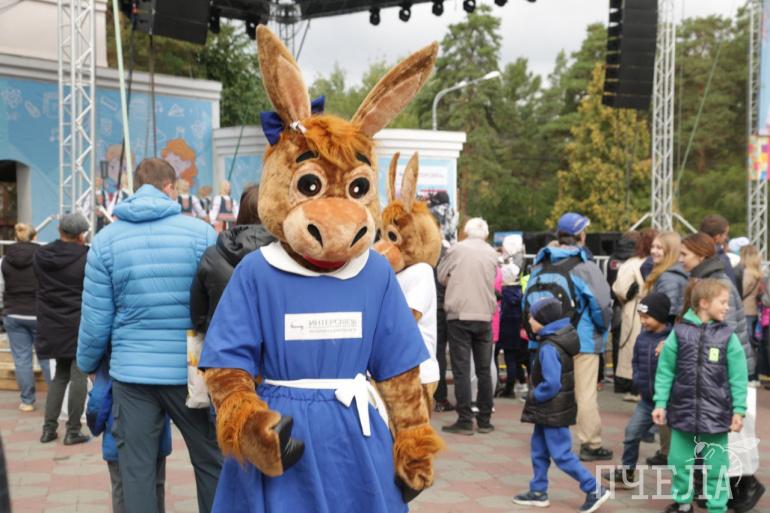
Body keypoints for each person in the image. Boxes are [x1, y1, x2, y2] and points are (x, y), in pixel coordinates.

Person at [77, 158, 222, 513]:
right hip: (189, 372)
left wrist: (87, 363)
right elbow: (219, 303)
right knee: (210, 461)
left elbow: (96, 318)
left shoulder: (106, 241)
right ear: (170, 187)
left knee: (136, 470)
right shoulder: (201, 233)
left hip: (132, 374)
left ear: (135, 187)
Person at [523, 212, 613, 461]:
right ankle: (590, 444)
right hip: (581, 339)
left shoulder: (540, 264)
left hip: (547, 340)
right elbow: (601, 305)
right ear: (581, 236)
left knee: (551, 388)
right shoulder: (585, 267)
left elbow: (527, 301)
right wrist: (601, 329)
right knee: (584, 394)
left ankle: (547, 440)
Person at [652, 278, 748, 513]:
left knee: (717, 465)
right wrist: (660, 403)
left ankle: (717, 506)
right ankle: (683, 502)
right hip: (682, 411)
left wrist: (739, 410)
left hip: (716, 414)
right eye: (722, 302)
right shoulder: (679, 333)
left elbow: (738, 377)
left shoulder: (728, 337)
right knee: (678, 462)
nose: (727, 307)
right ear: (704, 303)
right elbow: (665, 371)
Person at [513, 298, 611, 512]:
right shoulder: (556, 340)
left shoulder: (549, 347)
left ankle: (594, 488)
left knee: (561, 455)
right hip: (550, 409)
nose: (529, 320)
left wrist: (534, 395)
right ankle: (538, 491)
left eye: (532, 317)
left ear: (543, 320)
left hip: (552, 409)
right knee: (539, 449)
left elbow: (552, 383)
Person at [601, 293, 672, 487]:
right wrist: (638, 382)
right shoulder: (642, 338)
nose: (642, 321)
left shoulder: (672, 340)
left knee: (678, 443)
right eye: (641, 317)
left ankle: (692, 479)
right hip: (647, 401)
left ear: (661, 316)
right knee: (631, 432)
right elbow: (636, 362)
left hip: (669, 402)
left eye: (647, 317)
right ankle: (627, 472)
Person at [87, 351, 171, 513]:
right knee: (156, 486)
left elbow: (96, 407)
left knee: (122, 491)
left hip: (118, 441)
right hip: (158, 437)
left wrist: (94, 426)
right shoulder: (161, 363)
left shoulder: (113, 364)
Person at [438, 217, 498, 435]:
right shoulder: (492, 253)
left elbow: (441, 275)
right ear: (486, 234)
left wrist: (456, 282)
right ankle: (485, 420)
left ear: (466, 231)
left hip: (460, 314)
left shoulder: (456, 249)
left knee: (461, 369)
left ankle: (465, 419)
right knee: (484, 369)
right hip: (484, 315)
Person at [35, 213, 90, 445]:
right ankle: (73, 430)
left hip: (52, 323)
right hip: (78, 323)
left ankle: (48, 429)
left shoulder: (42, 255)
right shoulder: (86, 256)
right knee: (79, 376)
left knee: (60, 376)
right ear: (80, 235)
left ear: (59, 230)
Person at [190, 184, 275, 333]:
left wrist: (214, 331)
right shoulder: (291, 257)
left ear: (241, 212)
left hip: (222, 341)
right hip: (274, 345)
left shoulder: (212, 256)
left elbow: (198, 316)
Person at [643, 231, 688, 467]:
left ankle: (668, 451)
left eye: (660, 247)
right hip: (665, 341)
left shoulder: (669, 278)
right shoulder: (665, 274)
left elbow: (666, 314)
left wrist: (664, 341)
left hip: (664, 343)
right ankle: (667, 450)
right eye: (653, 246)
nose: (654, 251)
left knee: (664, 398)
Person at [1, 223, 50, 411]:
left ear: (16, 237)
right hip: (39, 313)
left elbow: (1, 287)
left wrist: (5, 307)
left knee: (21, 359)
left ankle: (27, 401)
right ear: (35, 237)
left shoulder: (4, 260)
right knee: (46, 357)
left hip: (13, 312)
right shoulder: (44, 258)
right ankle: (55, 401)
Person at [612, 229, 656, 401]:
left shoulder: (631, 263)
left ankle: (636, 387)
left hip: (635, 308)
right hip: (651, 309)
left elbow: (620, 289)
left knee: (634, 348)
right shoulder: (661, 263)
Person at [496, 262, 527, 398]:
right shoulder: (520, 293)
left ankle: (504, 387)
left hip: (503, 329)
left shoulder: (503, 293)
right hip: (516, 330)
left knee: (498, 357)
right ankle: (511, 387)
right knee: (512, 359)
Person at [739, 244, 764, 387]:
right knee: (753, 345)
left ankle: (750, 374)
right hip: (754, 311)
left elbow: (741, 292)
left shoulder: (747, 273)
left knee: (746, 344)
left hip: (745, 311)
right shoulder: (759, 273)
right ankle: (754, 374)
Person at [700, 214, 738, 288]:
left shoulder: (691, 253)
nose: (726, 237)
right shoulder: (721, 259)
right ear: (717, 237)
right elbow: (731, 288)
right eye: (725, 234)